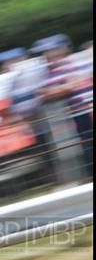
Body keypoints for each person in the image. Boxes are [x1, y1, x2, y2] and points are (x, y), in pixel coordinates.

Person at [32, 34, 93, 178]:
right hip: (80, 114)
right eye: (45, 52)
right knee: (88, 146)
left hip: (86, 110)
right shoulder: (46, 73)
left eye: (50, 51)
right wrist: (70, 86)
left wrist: (66, 87)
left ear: (62, 49)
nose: (46, 55)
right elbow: (44, 94)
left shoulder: (80, 61)